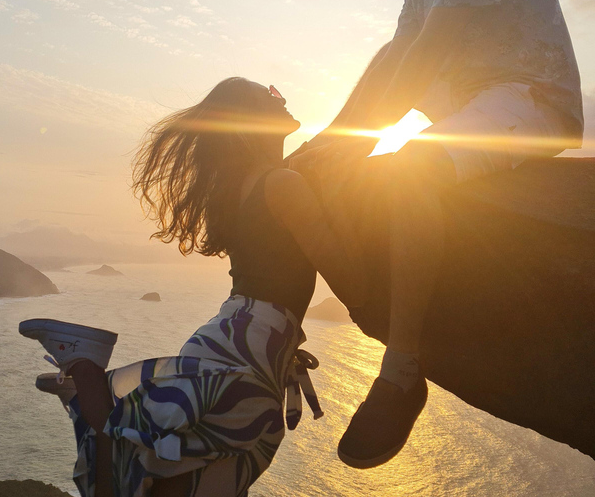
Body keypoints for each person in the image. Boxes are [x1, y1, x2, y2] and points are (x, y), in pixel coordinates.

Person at [20, 77, 369, 497]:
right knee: (204, 465)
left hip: (239, 335)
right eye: (271, 96)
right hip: (253, 344)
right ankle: (87, 374)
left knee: (181, 474)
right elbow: (345, 272)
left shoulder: (243, 188)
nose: (283, 98)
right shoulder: (281, 184)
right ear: (245, 122)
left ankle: (87, 383)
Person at [290, 0, 583, 469]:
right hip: (470, 92)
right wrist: (329, 144)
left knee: (411, 169)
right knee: (390, 52)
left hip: (530, 93)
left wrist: (352, 147)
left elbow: (430, 50)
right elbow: (403, 51)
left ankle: (402, 370)